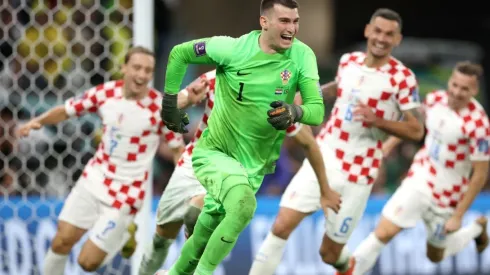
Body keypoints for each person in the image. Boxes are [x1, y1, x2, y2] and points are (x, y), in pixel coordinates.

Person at [158, 0, 342, 274]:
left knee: (204, 234)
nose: (291, 28)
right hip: (214, 153)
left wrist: (295, 111)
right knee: (244, 205)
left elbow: (315, 111)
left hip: (253, 167)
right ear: (264, 22)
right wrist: (170, 104)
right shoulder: (232, 49)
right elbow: (179, 53)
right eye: (284, 21)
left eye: (295, 21)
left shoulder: (303, 56)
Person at [249, 8, 425, 275]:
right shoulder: (348, 61)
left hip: (360, 173)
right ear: (368, 31)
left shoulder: (402, 78)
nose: (381, 38)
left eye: (389, 34)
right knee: (281, 225)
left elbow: (416, 130)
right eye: (377, 31)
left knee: (329, 253)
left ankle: (347, 265)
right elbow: (338, 87)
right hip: (326, 155)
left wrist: (378, 120)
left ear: (397, 39)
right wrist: (308, 96)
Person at [16, 46, 208, 274]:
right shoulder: (105, 94)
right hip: (94, 179)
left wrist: (189, 189)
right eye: (136, 67)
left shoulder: (161, 108)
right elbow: (67, 110)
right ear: (123, 68)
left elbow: (178, 151)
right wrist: (37, 121)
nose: (142, 74)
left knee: (87, 263)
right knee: (61, 241)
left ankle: (126, 232)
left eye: (148, 70)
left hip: (126, 194)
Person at [139, 70, 340, 275]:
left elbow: (310, 145)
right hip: (193, 163)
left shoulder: (276, 108)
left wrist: (325, 190)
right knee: (162, 237)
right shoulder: (220, 77)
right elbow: (177, 101)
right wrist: (186, 99)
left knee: (197, 211)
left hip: (230, 176)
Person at [348, 61, 490, 275]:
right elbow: (414, 126)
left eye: (464, 88)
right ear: (450, 81)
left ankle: (477, 229)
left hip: (448, 194)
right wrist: (388, 145)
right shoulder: (435, 99)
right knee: (384, 233)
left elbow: (480, 175)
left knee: (435, 256)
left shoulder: (479, 125)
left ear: (475, 91)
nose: (457, 92)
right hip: (420, 177)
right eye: (454, 84)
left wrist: (458, 216)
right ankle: (348, 271)